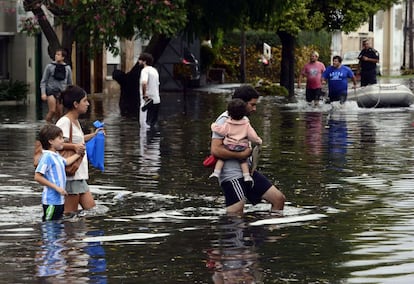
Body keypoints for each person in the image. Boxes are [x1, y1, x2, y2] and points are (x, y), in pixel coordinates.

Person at [210, 85, 285, 215]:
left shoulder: (243, 119)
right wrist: (242, 155)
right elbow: (215, 150)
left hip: (247, 173)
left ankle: (267, 232)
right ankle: (234, 233)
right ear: (242, 103)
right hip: (232, 175)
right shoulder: (224, 119)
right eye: (252, 104)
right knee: (236, 213)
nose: (254, 109)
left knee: (278, 199)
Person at [56, 85, 102, 215]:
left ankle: (79, 234)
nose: (87, 104)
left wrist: (94, 135)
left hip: (79, 174)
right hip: (72, 175)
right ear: (76, 104)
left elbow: (78, 140)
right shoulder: (64, 122)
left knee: (91, 209)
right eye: (85, 101)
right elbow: (56, 145)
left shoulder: (75, 121)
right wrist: (74, 147)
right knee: (70, 214)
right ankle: (69, 235)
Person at [34, 124, 84, 221]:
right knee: (49, 226)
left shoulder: (56, 156)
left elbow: (66, 162)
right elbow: (37, 176)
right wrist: (57, 188)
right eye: (60, 138)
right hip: (51, 201)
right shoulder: (47, 157)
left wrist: (79, 154)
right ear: (51, 141)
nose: (63, 141)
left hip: (59, 200)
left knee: (57, 225)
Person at [209, 98, 262, 184]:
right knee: (243, 161)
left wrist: (214, 126)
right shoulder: (246, 124)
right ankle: (247, 176)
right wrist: (258, 141)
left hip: (229, 146)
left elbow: (221, 130)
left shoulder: (227, 123)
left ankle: (216, 173)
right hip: (242, 147)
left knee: (221, 159)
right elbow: (252, 136)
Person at [40, 48, 73, 123]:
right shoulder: (49, 67)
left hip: (61, 92)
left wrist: (70, 94)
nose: (56, 56)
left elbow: (69, 83)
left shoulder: (67, 68)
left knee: (60, 113)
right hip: (51, 91)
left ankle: (57, 127)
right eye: (56, 54)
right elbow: (43, 81)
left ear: (63, 57)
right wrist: (43, 93)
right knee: (52, 110)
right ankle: (47, 125)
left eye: (58, 55)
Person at [138, 53, 160, 129]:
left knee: (144, 125)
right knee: (153, 125)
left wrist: (144, 95)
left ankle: (145, 140)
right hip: (156, 101)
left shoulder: (145, 71)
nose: (139, 61)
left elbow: (144, 83)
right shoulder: (154, 70)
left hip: (147, 102)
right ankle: (154, 140)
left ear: (144, 61)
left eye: (140, 60)